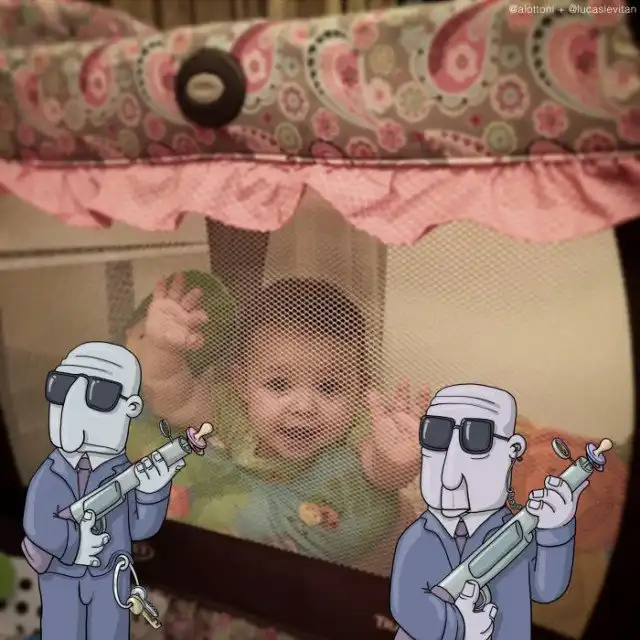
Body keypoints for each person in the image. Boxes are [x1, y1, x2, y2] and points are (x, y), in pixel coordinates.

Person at [128, 273, 427, 563]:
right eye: (278, 384)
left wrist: (397, 459)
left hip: (341, 534)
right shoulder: (233, 410)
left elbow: (381, 475)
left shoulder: (357, 423)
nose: (304, 407)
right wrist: (163, 349)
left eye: (329, 387)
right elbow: (172, 401)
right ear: (242, 383)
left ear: (360, 390)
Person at [390, 384, 587, 640]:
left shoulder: (520, 533)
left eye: (476, 440)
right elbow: (408, 606)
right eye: (435, 436)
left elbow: (546, 590)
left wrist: (555, 531)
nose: (449, 477)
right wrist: (458, 628)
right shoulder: (417, 539)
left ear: (513, 450)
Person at [21, 342, 185, 640]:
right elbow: (38, 523)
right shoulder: (50, 474)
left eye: (99, 394)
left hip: (110, 579)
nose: (73, 408)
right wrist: (77, 545)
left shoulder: (124, 475)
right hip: (61, 576)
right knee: (61, 632)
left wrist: (151, 493)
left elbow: (139, 527)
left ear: (131, 408)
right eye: (60, 387)